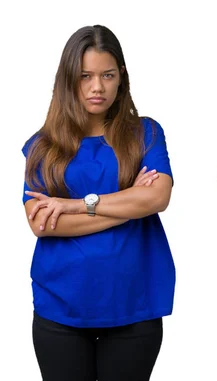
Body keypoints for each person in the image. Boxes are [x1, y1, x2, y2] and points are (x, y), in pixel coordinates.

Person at [22, 25, 174, 381]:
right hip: (60, 307)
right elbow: (42, 223)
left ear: (121, 77)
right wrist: (128, 206)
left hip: (134, 305)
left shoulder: (146, 133)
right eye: (85, 76)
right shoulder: (43, 146)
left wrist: (75, 205)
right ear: (68, 81)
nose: (97, 87)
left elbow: (157, 197)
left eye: (107, 75)